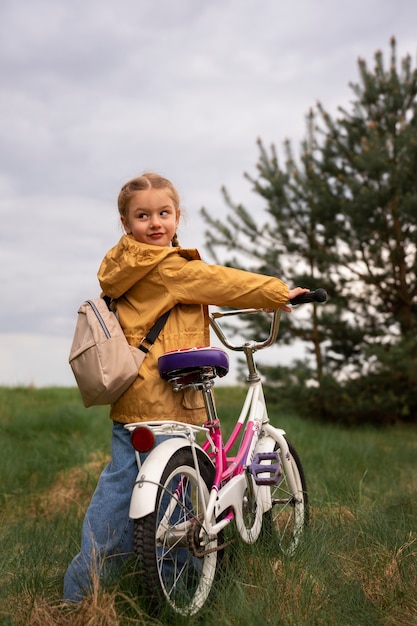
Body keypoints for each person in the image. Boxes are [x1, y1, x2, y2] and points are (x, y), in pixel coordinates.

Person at [63, 172, 309, 602]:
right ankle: (185, 587)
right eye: (143, 216)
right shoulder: (168, 267)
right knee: (179, 501)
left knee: (120, 494)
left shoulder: (125, 266)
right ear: (126, 223)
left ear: (178, 216)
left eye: (163, 213)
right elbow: (220, 281)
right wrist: (277, 293)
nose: (155, 223)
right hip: (168, 401)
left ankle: (83, 591)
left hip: (132, 402)